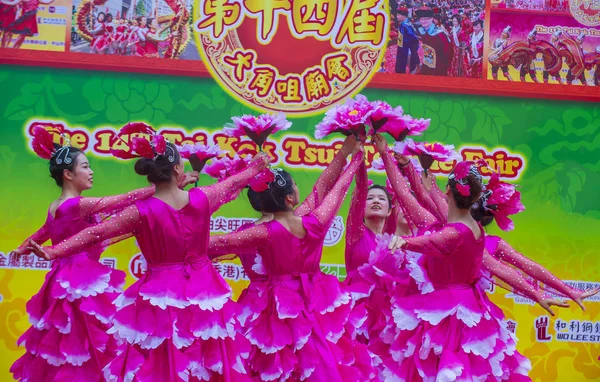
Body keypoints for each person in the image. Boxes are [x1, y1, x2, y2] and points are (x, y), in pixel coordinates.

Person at [29, 131, 270, 381]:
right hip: (205, 293)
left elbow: (96, 233)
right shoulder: (202, 198)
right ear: (177, 169)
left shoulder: (140, 211)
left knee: (163, 364)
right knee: (206, 361)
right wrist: (256, 165)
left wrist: (54, 251)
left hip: (160, 297)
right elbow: (231, 184)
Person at [372, 134, 569, 380]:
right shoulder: (458, 227)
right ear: (476, 199)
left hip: (450, 316)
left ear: (448, 191)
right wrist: (401, 165)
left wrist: (407, 242)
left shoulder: (456, 232)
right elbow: (414, 196)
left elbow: (429, 230)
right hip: (458, 310)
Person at [9, 127, 167, 381]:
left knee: (69, 340)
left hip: (61, 279)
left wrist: (23, 246)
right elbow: (122, 200)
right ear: (68, 174)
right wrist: (165, 187)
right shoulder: (74, 205)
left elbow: (44, 231)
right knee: (89, 339)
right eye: (85, 166)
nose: (91, 171)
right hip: (81, 279)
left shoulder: (56, 205)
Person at [207, 149, 376, 381]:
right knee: (320, 360)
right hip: (316, 299)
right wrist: (353, 158)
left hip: (278, 304)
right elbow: (331, 189)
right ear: (289, 198)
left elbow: (218, 243)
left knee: (277, 364)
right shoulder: (314, 222)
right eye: (295, 185)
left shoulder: (262, 232)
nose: (298, 189)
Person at [415, 6, 453, 76]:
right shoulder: (422, 31)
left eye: (426, 19)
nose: (423, 21)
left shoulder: (440, 34)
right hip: (427, 64)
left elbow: (448, 53)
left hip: (438, 69)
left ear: (432, 18)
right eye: (421, 19)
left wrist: (443, 68)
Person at [395, 6, 420, 74]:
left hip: (406, 48)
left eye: (398, 15)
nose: (397, 16)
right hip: (402, 47)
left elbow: (414, 37)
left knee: (408, 65)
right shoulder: (404, 23)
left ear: (404, 16)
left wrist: (411, 46)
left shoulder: (406, 25)